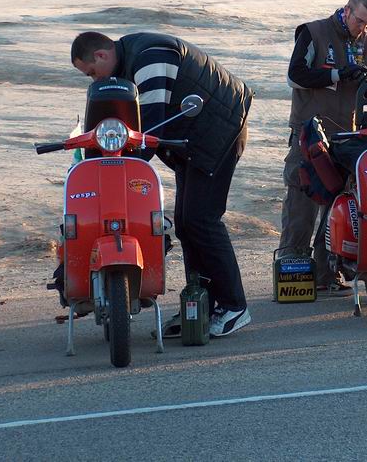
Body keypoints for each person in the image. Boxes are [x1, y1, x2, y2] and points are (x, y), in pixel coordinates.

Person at [70, 31, 253, 337]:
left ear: (101, 55)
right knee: (185, 223)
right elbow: (125, 125)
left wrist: (121, 174)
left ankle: (234, 306)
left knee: (202, 220)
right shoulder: (124, 68)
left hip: (218, 131)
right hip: (190, 140)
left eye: (91, 72)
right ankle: (199, 304)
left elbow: (150, 128)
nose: (93, 79)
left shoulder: (150, 58)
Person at [279, 0, 367, 296]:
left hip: (346, 136)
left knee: (338, 206)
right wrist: (337, 74)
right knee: (301, 204)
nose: (362, 28)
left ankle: (327, 273)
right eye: (360, 20)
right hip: (309, 131)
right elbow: (294, 76)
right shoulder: (314, 32)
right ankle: (293, 274)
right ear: (347, 10)